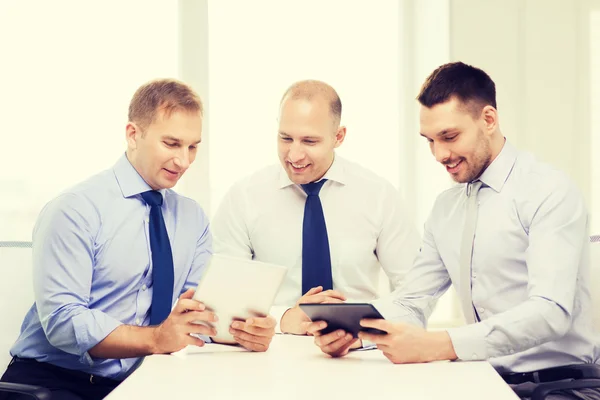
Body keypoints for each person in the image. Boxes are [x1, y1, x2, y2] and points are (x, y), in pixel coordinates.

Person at [309, 62, 600, 399]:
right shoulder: (447, 209)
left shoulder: (548, 191)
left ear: (488, 120)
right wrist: (356, 333)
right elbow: (413, 301)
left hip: (562, 385)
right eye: (429, 140)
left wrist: (442, 344)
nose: (439, 154)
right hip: (484, 379)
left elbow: (551, 312)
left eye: (449, 136)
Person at [0, 79, 275, 400]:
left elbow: (195, 313)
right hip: (55, 382)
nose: (184, 161)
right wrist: (156, 339)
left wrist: (242, 332)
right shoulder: (75, 208)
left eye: (193, 146)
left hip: (144, 381)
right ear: (133, 135)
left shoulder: (192, 218)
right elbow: (63, 322)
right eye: (172, 144)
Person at [211, 80, 420, 349]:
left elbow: (415, 295)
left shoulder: (379, 196)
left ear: (339, 137)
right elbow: (223, 304)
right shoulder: (243, 198)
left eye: (309, 141)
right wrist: (284, 318)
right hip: (269, 356)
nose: (294, 154)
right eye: (285, 138)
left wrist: (361, 334)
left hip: (361, 359)